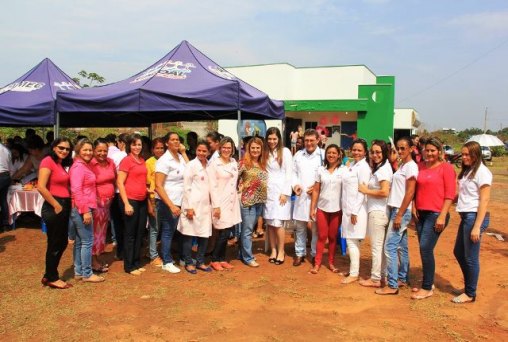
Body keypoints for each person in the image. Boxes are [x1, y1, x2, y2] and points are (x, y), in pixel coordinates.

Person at [412, 137, 456, 300]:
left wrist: (442, 216)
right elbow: (415, 189)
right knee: (424, 249)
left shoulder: (446, 168)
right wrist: (414, 206)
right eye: (427, 150)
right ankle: (428, 281)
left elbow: (450, 195)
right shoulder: (420, 166)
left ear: (439, 152)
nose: (429, 153)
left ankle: (426, 287)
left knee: (425, 248)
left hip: (436, 214)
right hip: (420, 214)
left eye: (433, 150)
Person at [376, 137, 418, 295]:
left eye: (403, 148)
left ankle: (392, 285)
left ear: (411, 149)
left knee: (390, 247)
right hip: (397, 209)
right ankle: (402, 277)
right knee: (402, 247)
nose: (400, 151)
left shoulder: (411, 167)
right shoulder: (403, 166)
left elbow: (410, 192)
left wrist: (400, 214)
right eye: (397, 149)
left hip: (401, 210)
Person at [452, 141, 491, 304]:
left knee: (470, 257)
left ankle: (470, 292)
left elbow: (484, 200)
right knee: (459, 252)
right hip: (466, 216)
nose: (464, 157)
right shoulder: (468, 171)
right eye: (463, 154)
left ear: (476, 155)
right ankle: (469, 286)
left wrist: (477, 226)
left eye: (468, 154)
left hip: (474, 217)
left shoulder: (483, 172)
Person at [38, 137, 73, 289]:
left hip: (63, 204)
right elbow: (41, 186)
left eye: (67, 149)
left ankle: (48, 274)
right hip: (55, 205)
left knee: (59, 242)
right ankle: (52, 277)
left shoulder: (60, 163)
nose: (64, 151)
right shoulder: (47, 161)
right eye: (61, 148)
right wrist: (56, 204)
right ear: (53, 147)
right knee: (56, 243)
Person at [358, 140, 393, 287]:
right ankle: (382, 275)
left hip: (378, 212)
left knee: (376, 246)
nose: (375, 155)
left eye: (378, 152)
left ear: (384, 153)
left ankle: (375, 278)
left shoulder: (383, 170)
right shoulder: (382, 167)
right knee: (381, 246)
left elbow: (385, 191)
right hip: (381, 211)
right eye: (373, 152)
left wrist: (367, 191)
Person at [69, 139, 104, 283]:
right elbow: (76, 190)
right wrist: (85, 211)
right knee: (87, 241)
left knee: (79, 241)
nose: (88, 152)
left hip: (82, 207)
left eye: (90, 150)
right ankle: (87, 273)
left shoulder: (83, 166)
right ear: (78, 150)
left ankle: (79, 271)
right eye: (85, 150)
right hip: (81, 208)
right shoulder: (78, 167)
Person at [178, 140, 213, 274]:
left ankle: (200, 261)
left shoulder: (210, 166)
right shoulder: (191, 165)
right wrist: (189, 208)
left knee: (204, 235)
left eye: (204, 151)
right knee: (189, 234)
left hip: (205, 207)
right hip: (192, 205)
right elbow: (186, 188)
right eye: (199, 150)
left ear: (209, 152)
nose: (201, 153)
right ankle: (188, 263)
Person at [155, 132, 187, 274]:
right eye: (172, 140)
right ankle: (167, 261)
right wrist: (171, 205)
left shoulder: (180, 157)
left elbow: (191, 168)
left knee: (180, 231)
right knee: (168, 231)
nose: (176, 142)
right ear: (167, 143)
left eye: (177, 140)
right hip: (169, 201)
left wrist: (184, 152)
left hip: (182, 201)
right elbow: (158, 185)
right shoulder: (164, 160)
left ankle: (181, 257)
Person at [309, 144, 345, 274]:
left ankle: (331, 262)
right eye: (329, 153)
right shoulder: (320, 170)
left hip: (337, 209)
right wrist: (312, 208)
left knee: (332, 236)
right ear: (326, 155)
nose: (331, 155)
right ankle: (317, 263)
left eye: (334, 153)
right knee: (322, 236)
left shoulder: (343, 170)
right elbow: (316, 190)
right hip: (322, 208)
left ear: (339, 155)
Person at [208, 137, 241, 271]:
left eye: (229, 147)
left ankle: (222, 259)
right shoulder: (214, 164)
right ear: (220, 148)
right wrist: (216, 205)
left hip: (232, 201)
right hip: (220, 202)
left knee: (227, 231)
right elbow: (212, 185)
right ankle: (215, 258)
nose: (227, 150)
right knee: (223, 231)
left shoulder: (233, 162)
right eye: (224, 147)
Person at [341, 139, 371, 284]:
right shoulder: (352, 165)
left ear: (365, 152)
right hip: (348, 209)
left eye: (359, 150)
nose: (356, 152)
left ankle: (354, 273)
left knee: (352, 241)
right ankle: (354, 268)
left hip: (356, 210)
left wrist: (354, 211)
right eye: (354, 149)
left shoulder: (364, 167)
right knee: (351, 241)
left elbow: (362, 191)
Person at [117, 133, 148, 276]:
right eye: (134, 144)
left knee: (139, 233)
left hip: (142, 200)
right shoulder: (126, 160)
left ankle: (136, 262)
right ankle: (129, 266)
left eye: (139, 144)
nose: (137, 147)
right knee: (130, 234)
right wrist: (126, 203)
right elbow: (120, 182)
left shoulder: (142, 160)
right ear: (129, 145)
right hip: (131, 200)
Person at [291, 129, 323, 267]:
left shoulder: (322, 155)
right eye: (306, 140)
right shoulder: (298, 155)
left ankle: (315, 254)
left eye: (312, 140)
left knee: (316, 228)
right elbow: (292, 173)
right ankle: (299, 253)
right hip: (301, 196)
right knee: (300, 227)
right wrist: (295, 185)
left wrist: (317, 189)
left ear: (317, 140)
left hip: (317, 197)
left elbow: (328, 174)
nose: (309, 143)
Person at [264, 127, 292, 265]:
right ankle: (273, 250)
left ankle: (281, 251)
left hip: (281, 191)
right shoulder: (265, 152)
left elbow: (289, 173)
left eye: (274, 138)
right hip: (269, 191)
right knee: (270, 223)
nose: (272, 141)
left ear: (279, 139)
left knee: (278, 223)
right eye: (269, 138)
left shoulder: (285, 152)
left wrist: (285, 192)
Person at [238, 136, 267, 267]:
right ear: (248, 149)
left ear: (261, 149)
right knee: (248, 230)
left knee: (247, 229)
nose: (255, 150)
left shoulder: (263, 164)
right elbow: (234, 179)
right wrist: (239, 189)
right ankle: (248, 257)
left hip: (260, 201)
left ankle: (242, 253)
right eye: (253, 148)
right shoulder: (244, 163)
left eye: (258, 148)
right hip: (248, 202)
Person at [90, 138, 116, 272]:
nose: (102, 153)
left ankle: (96, 256)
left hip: (107, 203)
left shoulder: (110, 163)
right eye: (99, 150)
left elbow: (115, 178)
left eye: (104, 151)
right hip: (96, 203)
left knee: (102, 232)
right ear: (94, 150)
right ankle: (93, 261)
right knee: (96, 232)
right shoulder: (90, 164)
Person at [146, 137, 165, 267]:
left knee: (165, 228)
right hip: (155, 198)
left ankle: (160, 251)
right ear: (152, 149)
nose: (159, 150)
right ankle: (153, 255)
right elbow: (147, 185)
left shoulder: (168, 160)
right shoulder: (149, 163)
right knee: (154, 228)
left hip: (167, 198)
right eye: (157, 148)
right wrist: (150, 202)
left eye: (162, 148)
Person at [108, 133, 127, 258]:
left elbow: (112, 174)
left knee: (118, 223)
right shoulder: (134, 157)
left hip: (117, 192)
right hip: (129, 193)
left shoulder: (116, 156)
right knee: (127, 224)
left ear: (121, 143)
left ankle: (120, 251)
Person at [0, 140, 12, 231]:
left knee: (3, 200)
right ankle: (5, 224)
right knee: (3, 200)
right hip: (6, 175)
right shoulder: (6, 149)